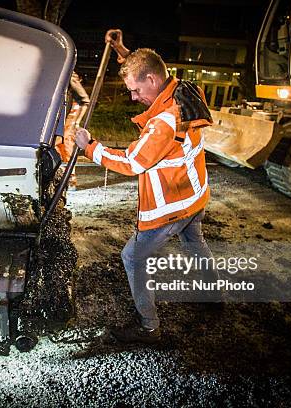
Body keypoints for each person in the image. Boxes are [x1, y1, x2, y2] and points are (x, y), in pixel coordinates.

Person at [74, 29, 220, 344]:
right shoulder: (184, 88)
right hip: (195, 195)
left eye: (135, 89)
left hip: (172, 207)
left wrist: (90, 147)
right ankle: (214, 297)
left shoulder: (164, 122)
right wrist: (123, 52)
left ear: (152, 81)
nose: (133, 97)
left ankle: (149, 326)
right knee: (195, 243)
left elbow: (132, 162)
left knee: (132, 257)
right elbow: (150, 66)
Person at [56, 71, 90, 190]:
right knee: (56, 147)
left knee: (67, 147)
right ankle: (61, 177)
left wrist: (77, 121)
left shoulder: (68, 74)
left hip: (69, 119)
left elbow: (85, 101)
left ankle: (71, 179)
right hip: (58, 118)